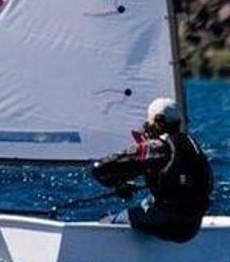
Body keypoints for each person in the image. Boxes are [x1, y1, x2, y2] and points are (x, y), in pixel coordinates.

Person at [90, 97, 213, 243]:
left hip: (165, 221)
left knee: (108, 221)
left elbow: (99, 168)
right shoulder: (193, 145)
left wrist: (117, 185)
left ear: (158, 121)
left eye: (149, 122)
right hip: (191, 226)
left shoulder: (156, 147)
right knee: (147, 204)